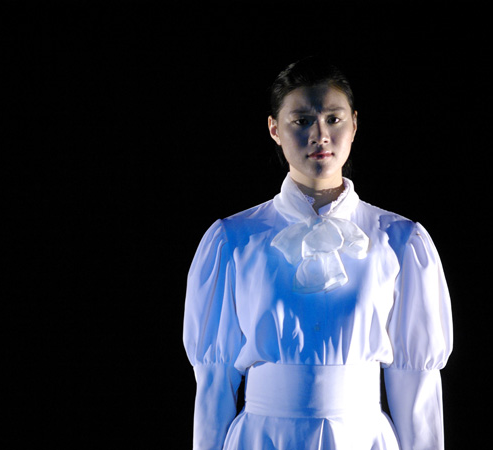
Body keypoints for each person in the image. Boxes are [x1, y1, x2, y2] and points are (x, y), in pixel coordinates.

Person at [183, 56, 453, 450]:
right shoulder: (233, 241)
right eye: (302, 120)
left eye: (333, 118)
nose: (320, 134)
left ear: (354, 124)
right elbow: (213, 381)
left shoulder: (400, 241)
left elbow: (417, 385)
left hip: (362, 439)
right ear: (274, 129)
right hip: (262, 439)